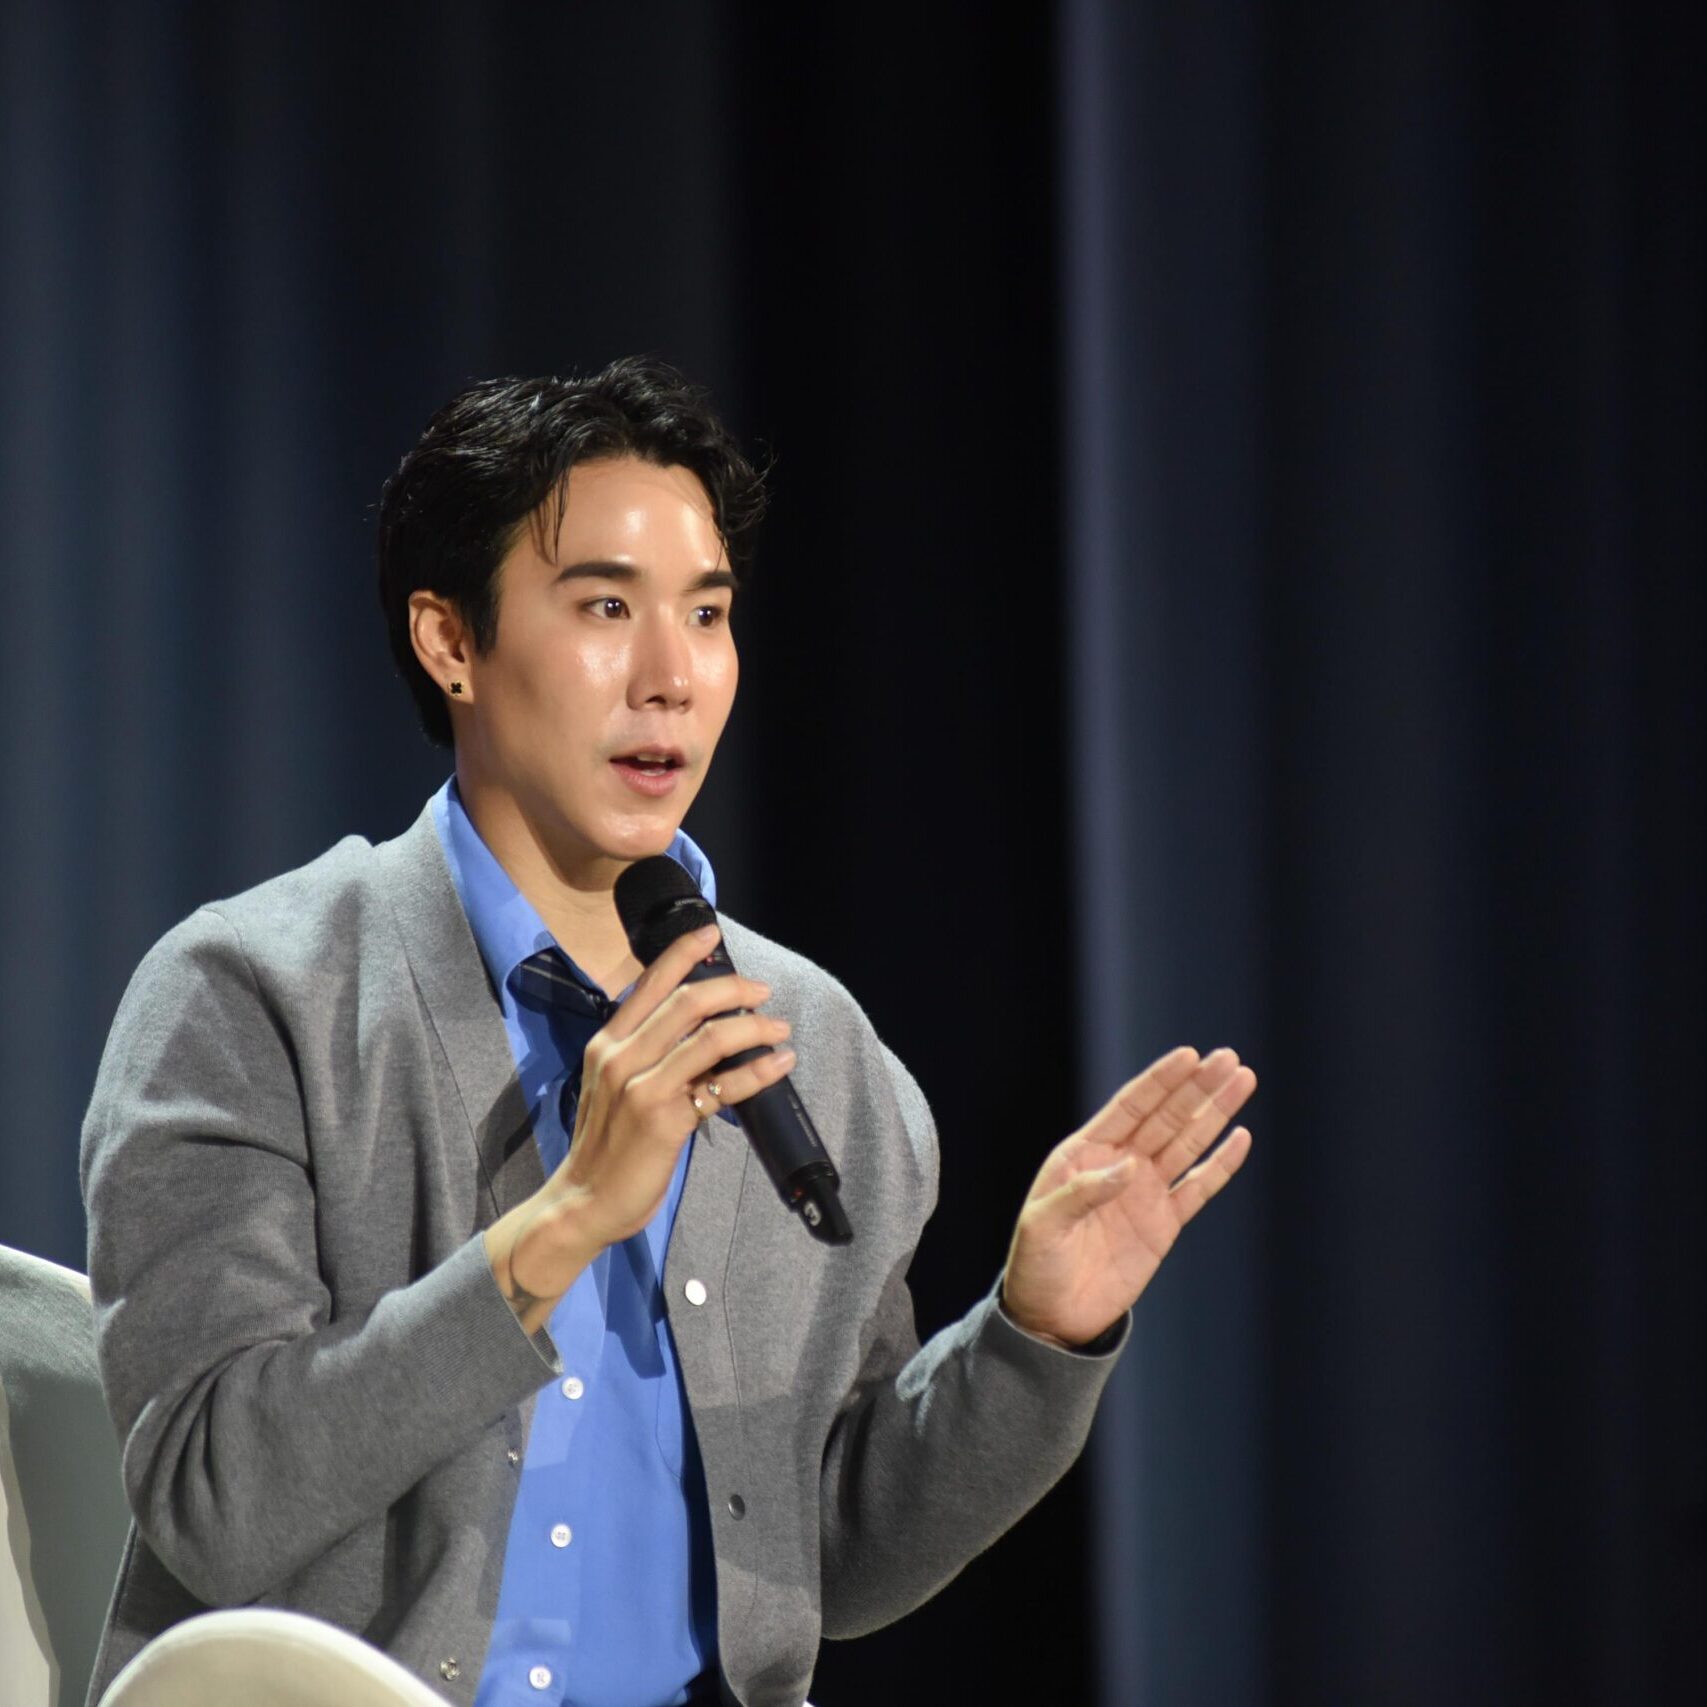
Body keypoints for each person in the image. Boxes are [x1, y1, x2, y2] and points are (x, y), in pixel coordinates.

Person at [80, 357, 1256, 1707]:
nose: (671, 676)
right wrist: (565, 1221)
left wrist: (1032, 1337)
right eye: (605, 607)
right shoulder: (251, 999)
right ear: (451, 642)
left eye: (707, 614)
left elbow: (830, 1557)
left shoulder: (813, 1043)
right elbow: (217, 1501)